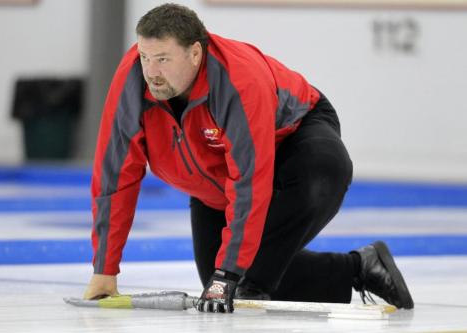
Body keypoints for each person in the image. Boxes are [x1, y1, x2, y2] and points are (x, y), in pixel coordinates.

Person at [83, 3, 414, 313]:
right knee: (222, 281)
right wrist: (104, 269)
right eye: (144, 57)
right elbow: (115, 177)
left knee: (241, 272)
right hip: (214, 178)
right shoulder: (131, 83)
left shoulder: (237, 81)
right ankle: (359, 267)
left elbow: (250, 180)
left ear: (195, 53)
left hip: (295, 137)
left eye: (163, 59)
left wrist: (230, 274)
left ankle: (250, 280)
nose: (150, 71)